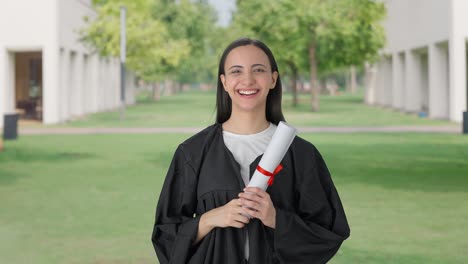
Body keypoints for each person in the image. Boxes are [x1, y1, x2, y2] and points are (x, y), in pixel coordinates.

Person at [151, 38, 350, 264]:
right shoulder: (193, 153)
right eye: (236, 71)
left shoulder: (301, 155)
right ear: (224, 82)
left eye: (258, 70)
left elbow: (329, 233)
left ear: (273, 79)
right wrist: (209, 219)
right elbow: (165, 236)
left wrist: (276, 219)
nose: (247, 80)